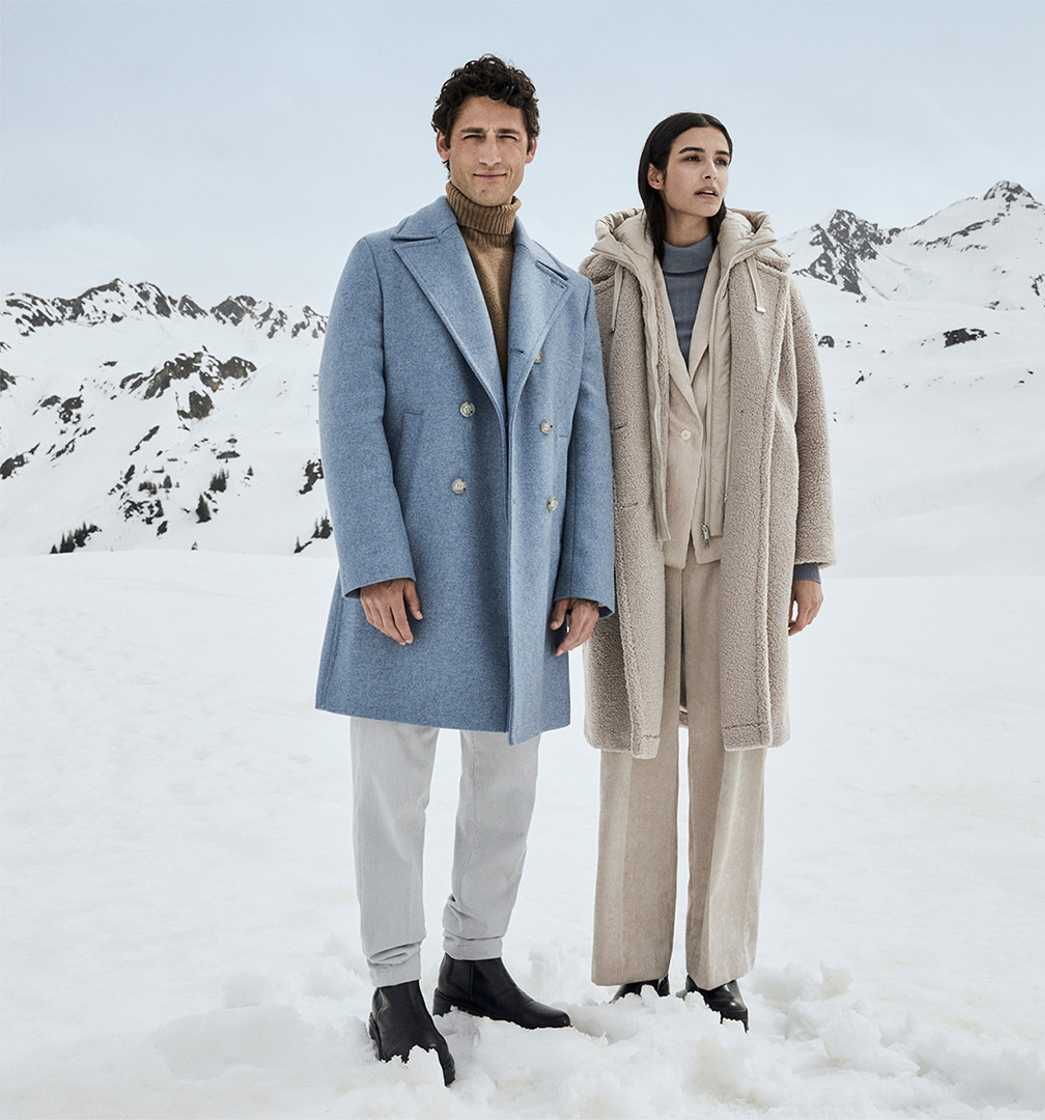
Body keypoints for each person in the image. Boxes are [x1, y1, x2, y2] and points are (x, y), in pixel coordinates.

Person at [314, 55, 615, 1085]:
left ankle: (475, 961)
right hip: (412, 569)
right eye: (473, 136)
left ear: (532, 150)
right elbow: (349, 417)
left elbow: (588, 440)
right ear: (443, 145)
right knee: (391, 788)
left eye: (508, 137)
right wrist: (373, 562)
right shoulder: (382, 260)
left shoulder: (564, 289)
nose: (491, 153)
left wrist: (585, 573)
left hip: (522, 570)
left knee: (506, 783)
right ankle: (394, 984)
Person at [578, 112, 835, 1029]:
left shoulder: (771, 283)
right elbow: (578, 427)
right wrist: (577, 562)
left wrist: (807, 556)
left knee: (735, 751)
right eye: (692, 157)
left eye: (723, 159)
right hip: (636, 553)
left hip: (742, 550)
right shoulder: (601, 285)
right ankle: (635, 965)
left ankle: (718, 964)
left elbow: (807, 421)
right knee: (636, 752)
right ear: (654, 174)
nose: (711, 172)